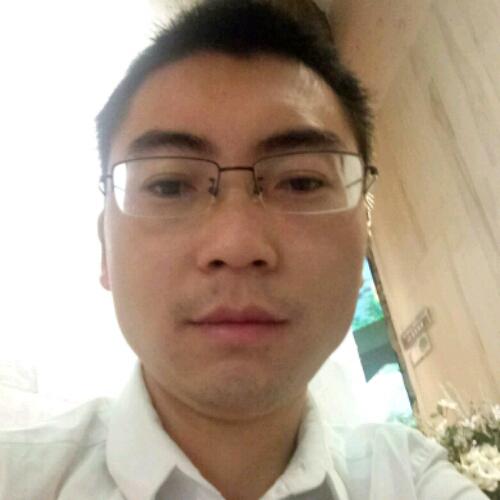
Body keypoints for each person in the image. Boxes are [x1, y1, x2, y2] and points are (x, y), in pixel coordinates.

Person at [0, 1, 488, 499]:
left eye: (300, 182)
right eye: (170, 186)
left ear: (364, 231)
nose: (236, 244)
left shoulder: (408, 478)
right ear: (106, 247)